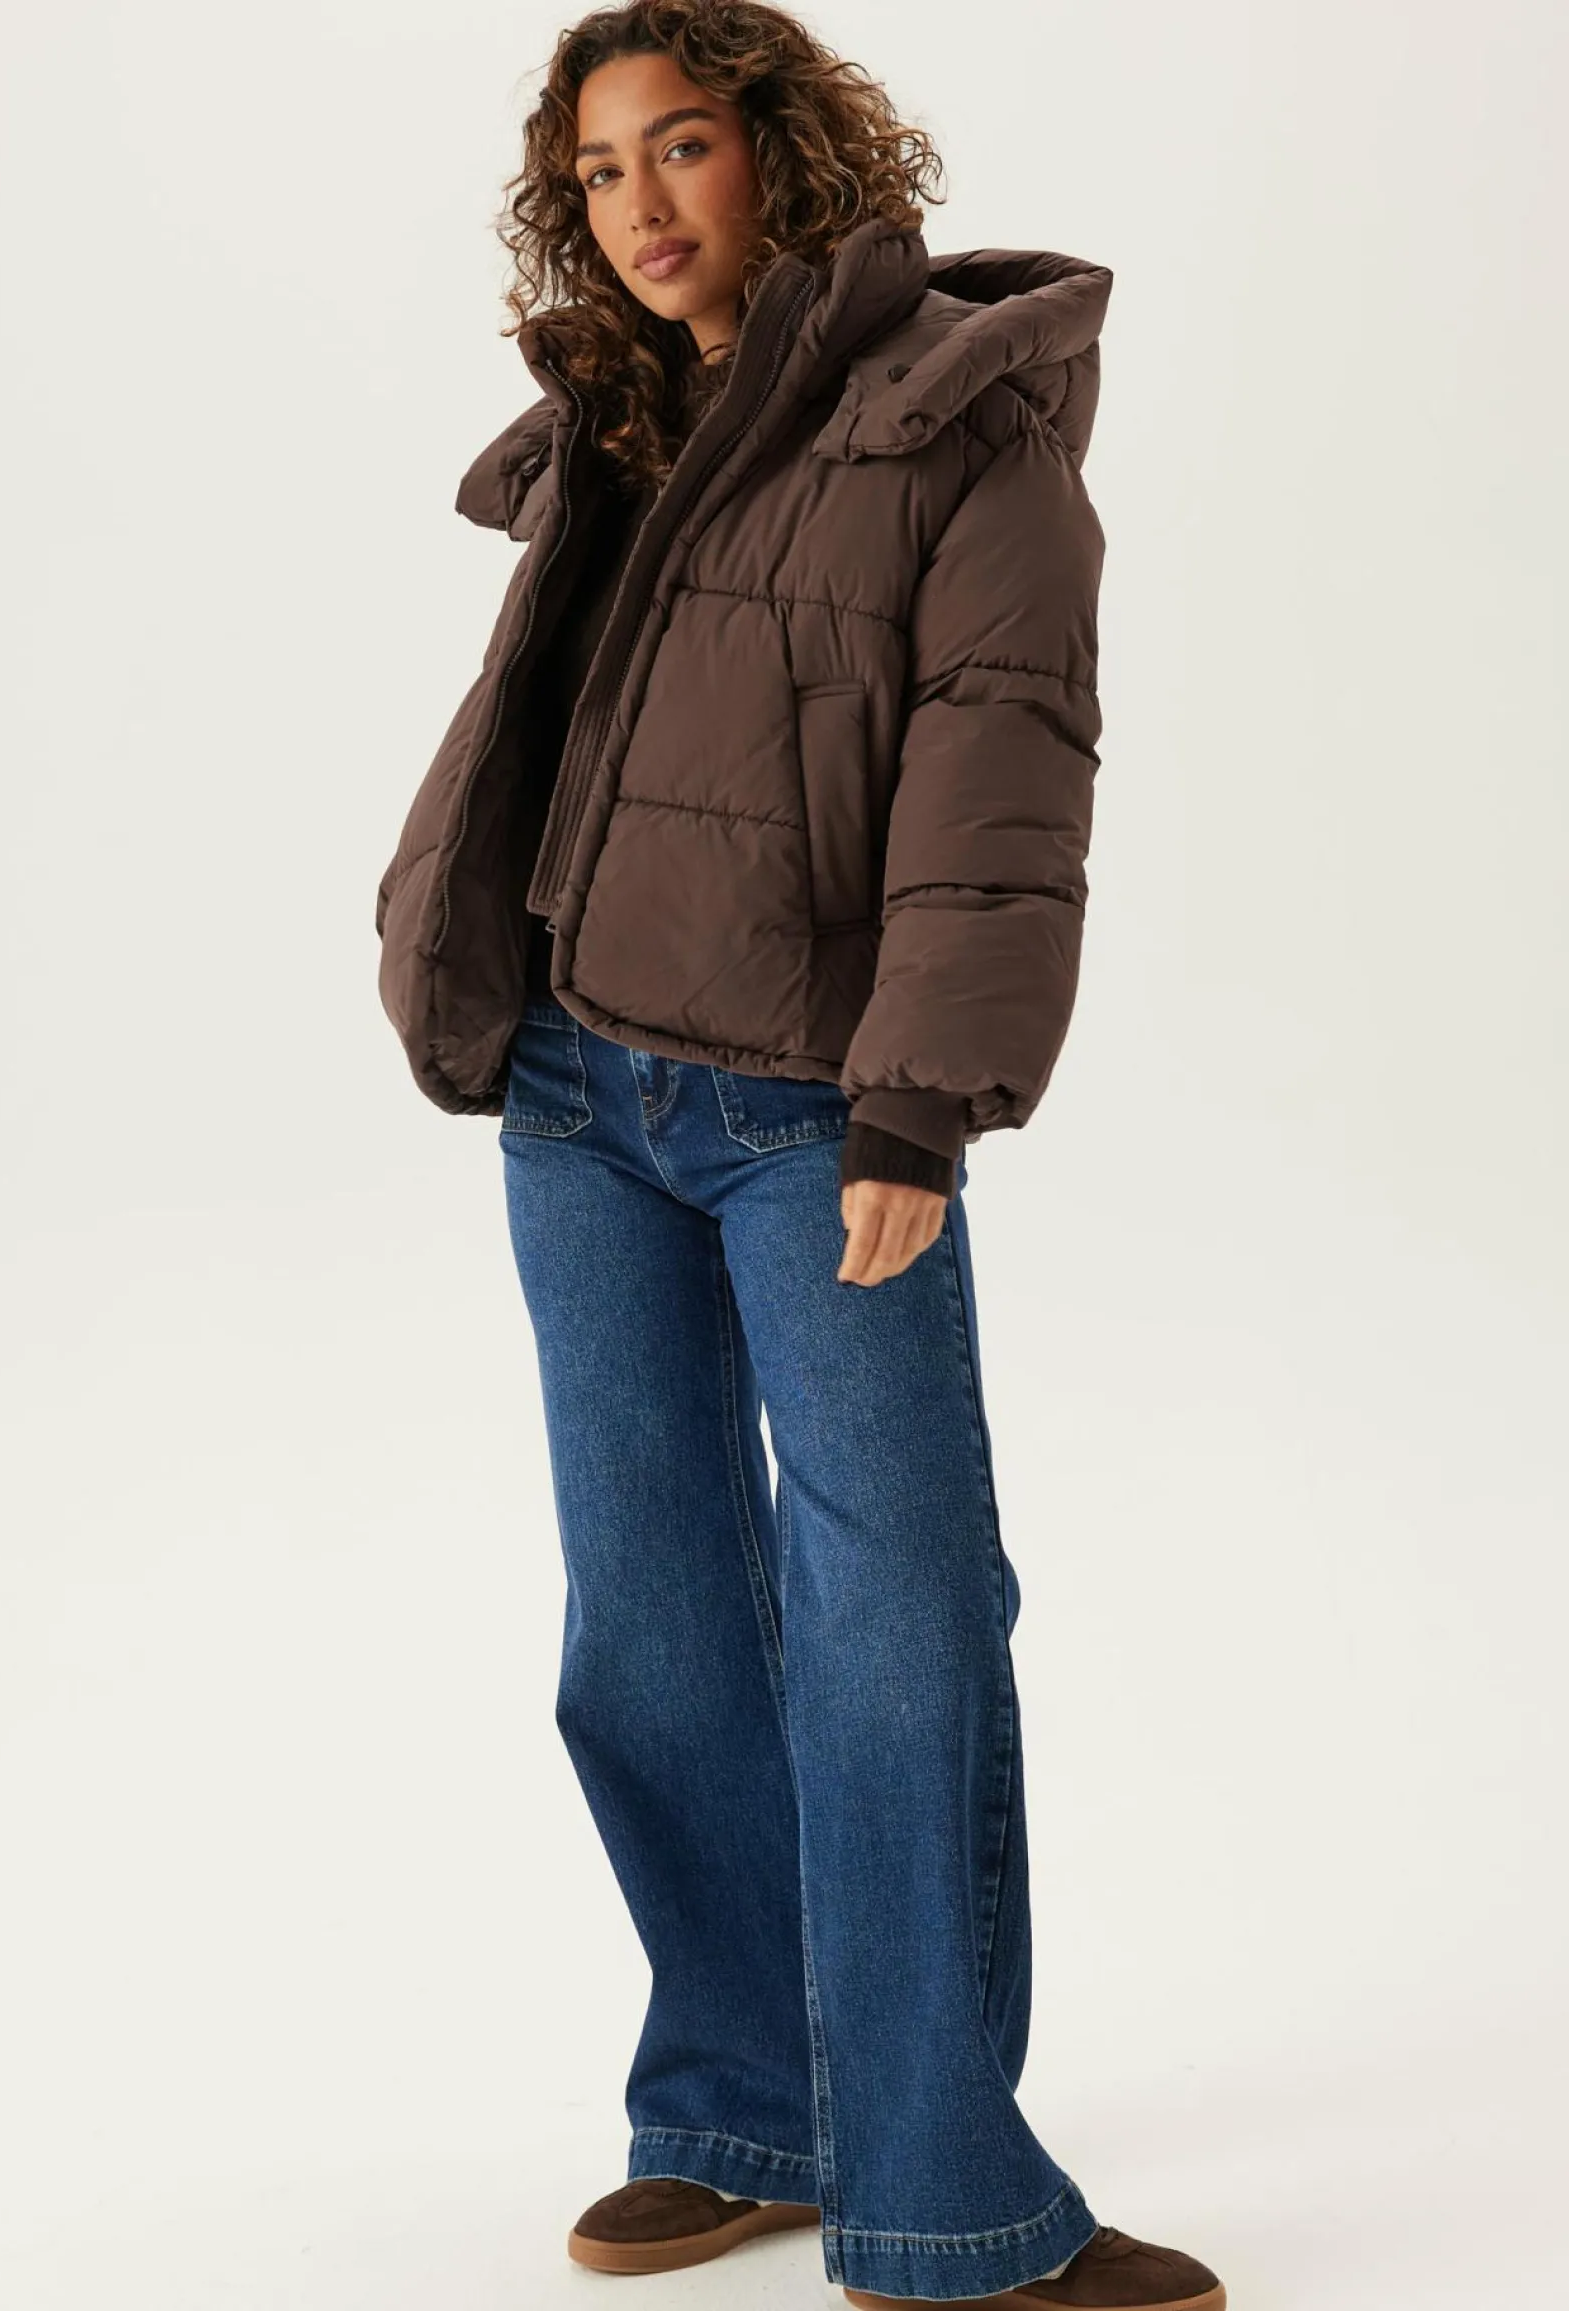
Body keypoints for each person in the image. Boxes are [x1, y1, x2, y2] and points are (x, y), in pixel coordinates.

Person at [374, 6, 1226, 2306]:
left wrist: (915, 1104)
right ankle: (744, 2104)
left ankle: (943, 2193)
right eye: (598, 171)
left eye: (682, 147)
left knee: (896, 1634)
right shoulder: (619, 414)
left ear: (788, 152)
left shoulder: (961, 424)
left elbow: (995, 778)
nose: (638, 205)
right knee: (649, 1638)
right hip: (578, 1102)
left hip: (808, 1117)